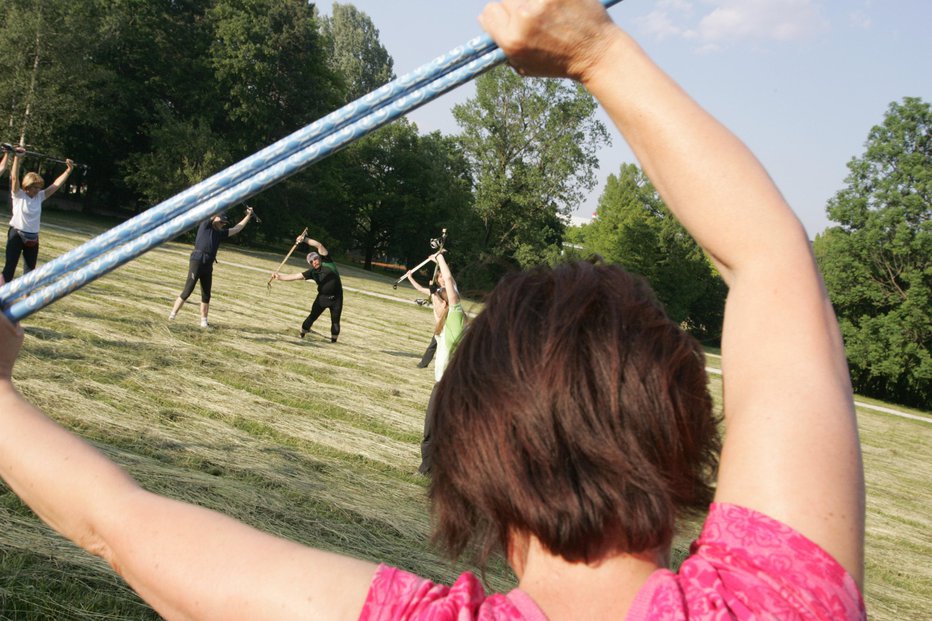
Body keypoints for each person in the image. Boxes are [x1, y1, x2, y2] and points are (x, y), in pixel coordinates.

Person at [0, 1, 866, 619]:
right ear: (684, 426)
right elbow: (770, 260)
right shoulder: (779, 596)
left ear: (467, 456)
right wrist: (599, 51)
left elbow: (121, 525)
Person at [410, 252, 465, 474]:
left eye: (442, 297)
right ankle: (429, 468)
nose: (439, 300)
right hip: (441, 385)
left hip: (454, 387)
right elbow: (435, 297)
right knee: (430, 430)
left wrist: (440, 258)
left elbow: (449, 282)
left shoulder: (456, 314)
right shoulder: (441, 323)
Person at [168, 207, 254, 328]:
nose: (222, 224)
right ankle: (172, 316)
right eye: (221, 221)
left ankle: (204, 322)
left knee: (206, 294)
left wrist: (248, 216)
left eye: (224, 223)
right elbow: (210, 211)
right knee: (188, 290)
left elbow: (236, 229)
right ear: (215, 218)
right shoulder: (205, 226)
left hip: (208, 264)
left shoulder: (219, 233)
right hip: (197, 260)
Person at [2, 148, 74, 285]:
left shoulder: (40, 197)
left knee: (30, 273)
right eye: (35, 187)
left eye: (39, 187)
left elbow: (56, 185)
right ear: (27, 186)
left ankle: (26, 300)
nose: (38, 190)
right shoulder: (18, 194)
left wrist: (68, 170)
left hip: (33, 238)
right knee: (9, 269)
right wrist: (17, 157)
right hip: (16, 234)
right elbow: (14, 178)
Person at [270, 233, 343, 342]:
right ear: (310, 264)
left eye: (316, 259)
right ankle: (302, 335)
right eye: (312, 261)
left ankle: (333, 342)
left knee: (335, 321)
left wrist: (304, 239)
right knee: (312, 317)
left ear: (319, 258)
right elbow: (295, 276)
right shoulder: (312, 272)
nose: (315, 261)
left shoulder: (328, 262)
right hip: (322, 298)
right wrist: (279, 277)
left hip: (337, 298)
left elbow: (318, 245)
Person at [403, 256, 449, 368]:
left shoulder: (448, 290)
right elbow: (419, 288)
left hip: (447, 323)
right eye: (440, 277)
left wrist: (438, 261)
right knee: (433, 345)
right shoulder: (434, 290)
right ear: (437, 279)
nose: (442, 279)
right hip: (440, 324)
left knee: (444, 347)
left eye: (444, 276)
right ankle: (423, 364)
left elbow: (445, 301)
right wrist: (410, 277)